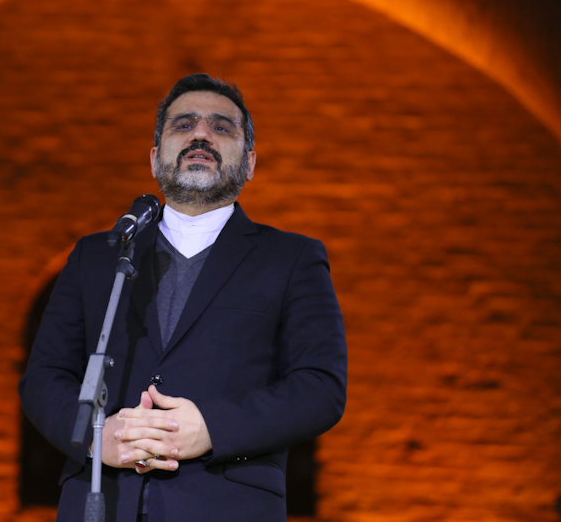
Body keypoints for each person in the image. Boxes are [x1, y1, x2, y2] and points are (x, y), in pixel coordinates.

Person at [19, 74, 347, 522]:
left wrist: (212, 428)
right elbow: (44, 377)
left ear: (250, 163)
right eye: (184, 124)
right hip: (100, 501)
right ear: (156, 158)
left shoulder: (292, 259)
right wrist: (96, 438)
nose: (201, 135)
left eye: (222, 127)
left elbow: (320, 388)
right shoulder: (96, 257)